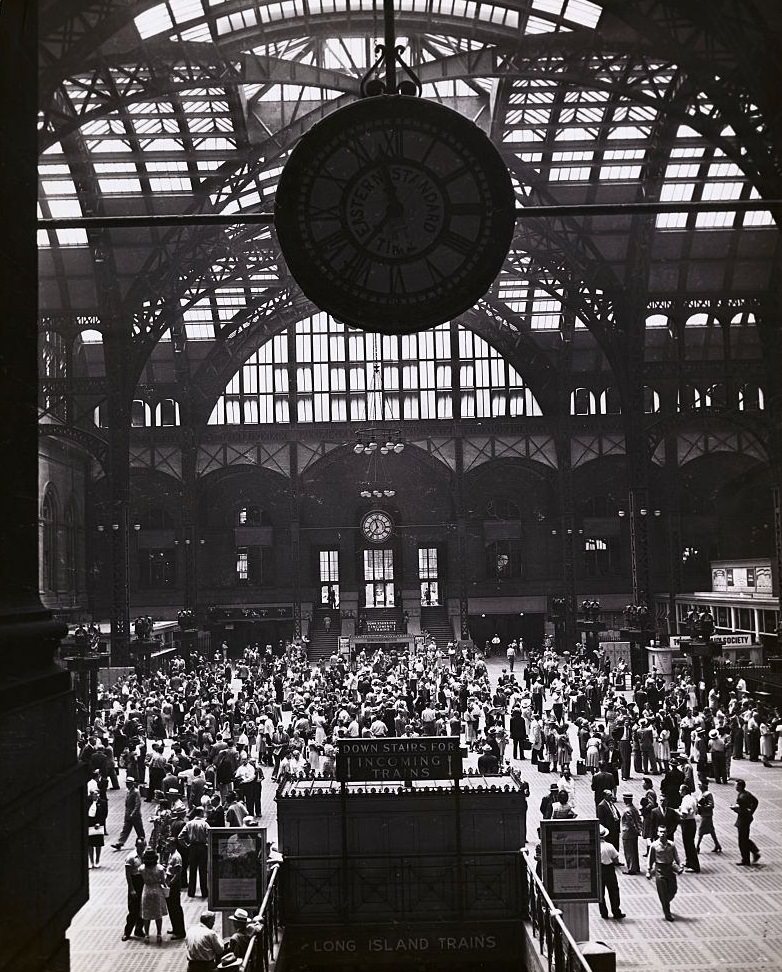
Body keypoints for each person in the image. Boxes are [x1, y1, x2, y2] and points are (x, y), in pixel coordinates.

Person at [647, 825, 684, 921]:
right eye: (660, 832)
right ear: (657, 833)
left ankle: (665, 902)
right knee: (663, 893)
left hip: (670, 869)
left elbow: (676, 856)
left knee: (673, 890)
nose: (662, 834)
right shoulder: (654, 846)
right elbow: (650, 859)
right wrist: (648, 870)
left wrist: (679, 866)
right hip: (660, 870)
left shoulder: (671, 845)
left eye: (664, 832)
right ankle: (667, 913)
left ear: (667, 833)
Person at [140, 847, 168, 943]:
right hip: (157, 890)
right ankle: (159, 934)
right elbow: (163, 881)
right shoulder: (160, 868)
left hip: (146, 890)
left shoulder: (142, 868)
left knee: (146, 914)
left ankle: (147, 934)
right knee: (158, 914)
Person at [121, 838, 147, 941]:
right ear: (136, 846)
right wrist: (131, 888)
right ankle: (127, 932)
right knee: (133, 909)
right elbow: (128, 874)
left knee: (142, 907)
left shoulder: (145, 855)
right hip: (134, 882)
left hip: (143, 881)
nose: (142, 848)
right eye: (140, 846)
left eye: (143, 846)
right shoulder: (131, 857)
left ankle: (139, 929)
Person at [598, 826, 625, 920]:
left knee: (600, 892)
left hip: (599, 870)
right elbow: (616, 859)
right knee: (613, 891)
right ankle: (616, 911)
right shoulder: (610, 846)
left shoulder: (595, 846)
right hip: (609, 869)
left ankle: (603, 912)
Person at [182, 806, 210, 897]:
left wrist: (187, 845)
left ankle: (191, 892)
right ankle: (204, 892)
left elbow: (180, 837)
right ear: (201, 813)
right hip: (202, 847)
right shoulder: (205, 824)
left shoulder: (189, 824)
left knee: (192, 870)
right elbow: (210, 834)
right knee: (203, 870)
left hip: (192, 848)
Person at [731, 778, 760, 865]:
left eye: (736, 785)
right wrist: (751, 812)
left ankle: (747, 858)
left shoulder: (741, 797)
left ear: (740, 786)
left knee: (742, 840)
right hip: (747, 818)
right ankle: (754, 852)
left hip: (743, 820)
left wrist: (735, 809)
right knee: (744, 838)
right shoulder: (746, 794)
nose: (735, 787)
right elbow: (755, 801)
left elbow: (741, 810)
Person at [112, 776, 145, 849]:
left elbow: (138, 804)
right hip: (128, 814)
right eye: (127, 783)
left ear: (132, 784)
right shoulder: (128, 791)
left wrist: (133, 814)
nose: (127, 784)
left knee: (139, 830)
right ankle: (120, 843)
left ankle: (143, 842)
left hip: (135, 815)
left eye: (129, 783)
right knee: (125, 829)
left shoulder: (136, 792)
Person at [165, 837, 186, 940]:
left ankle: (180, 931)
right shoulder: (171, 854)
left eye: (169, 845)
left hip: (174, 884)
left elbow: (178, 873)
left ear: (173, 845)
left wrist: (170, 883)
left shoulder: (176, 857)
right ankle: (175, 928)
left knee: (175, 908)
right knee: (171, 908)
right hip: (170, 882)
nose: (167, 847)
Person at [678, 784, 700, 872]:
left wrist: (676, 813)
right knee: (689, 843)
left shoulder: (686, 800)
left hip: (687, 823)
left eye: (680, 790)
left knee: (689, 844)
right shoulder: (691, 798)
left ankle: (694, 866)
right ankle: (689, 861)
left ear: (684, 791)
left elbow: (684, 814)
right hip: (692, 822)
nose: (679, 792)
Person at [695, 781, 722, 854]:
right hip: (703, 814)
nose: (698, 786)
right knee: (711, 830)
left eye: (700, 784)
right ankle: (717, 845)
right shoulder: (701, 793)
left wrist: (703, 806)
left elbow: (711, 805)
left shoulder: (708, 794)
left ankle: (697, 847)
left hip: (707, 815)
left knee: (701, 831)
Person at [620, 792, 642, 874]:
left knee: (629, 852)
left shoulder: (627, 810)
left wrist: (634, 830)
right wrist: (638, 831)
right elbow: (639, 820)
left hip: (628, 833)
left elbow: (630, 823)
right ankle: (636, 867)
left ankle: (631, 868)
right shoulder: (634, 808)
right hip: (633, 834)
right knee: (634, 851)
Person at [87, 786, 108, 869]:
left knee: (98, 844)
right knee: (90, 844)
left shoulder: (103, 802)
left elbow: (104, 814)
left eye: (97, 794)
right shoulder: (88, 802)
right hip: (90, 824)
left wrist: (100, 823)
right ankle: (91, 861)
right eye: (94, 794)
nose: (96, 796)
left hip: (98, 825)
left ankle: (97, 860)